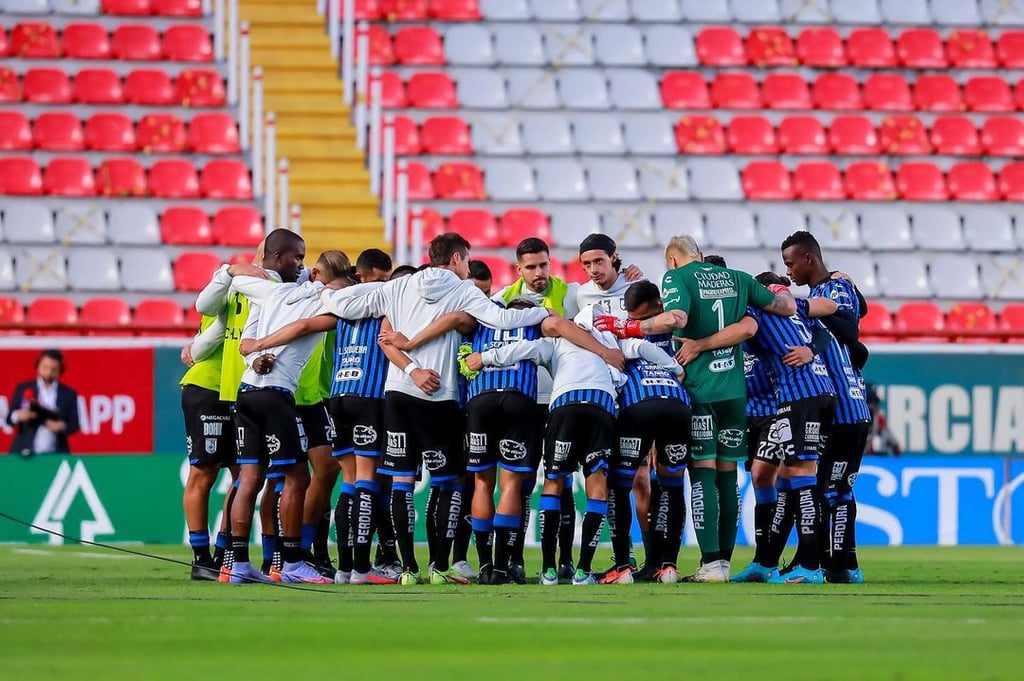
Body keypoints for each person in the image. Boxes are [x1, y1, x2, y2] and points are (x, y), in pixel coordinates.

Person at [318, 233, 553, 585]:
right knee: (449, 483)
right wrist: (543, 312)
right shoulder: (464, 290)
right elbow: (501, 321)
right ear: (458, 259)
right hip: (440, 394)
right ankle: (440, 565)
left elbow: (342, 303)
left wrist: (321, 292)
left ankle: (408, 569)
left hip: (397, 390)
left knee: (400, 482)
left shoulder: (399, 287)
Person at [601, 235, 795, 582]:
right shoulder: (738, 278)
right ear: (701, 255)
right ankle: (723, 562)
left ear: (672, 261)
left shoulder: (677, 277)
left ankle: (711, 565)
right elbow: (784, 309)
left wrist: (630, 326)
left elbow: (675, 318)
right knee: (728, 476)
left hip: (700, 388)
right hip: (735, 389)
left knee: (702, 472)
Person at [466, 304, 683, 586]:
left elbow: (522, 350)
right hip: (601, 404)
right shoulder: (610, 338)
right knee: (597, 483)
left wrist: (484, 357)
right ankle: (582, 570)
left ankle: (548, 571)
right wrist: (675, 368)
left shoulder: (557, 342)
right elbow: (645, 349)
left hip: (565, 405)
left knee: (554, 482)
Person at [240, 248, 401, 585]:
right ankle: (323, 563)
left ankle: (266, 561)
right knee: (307, 478)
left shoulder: (286, 292)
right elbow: (301, 325)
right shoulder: (371, 300)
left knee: (290, 476)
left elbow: (240, 279)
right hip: (321, 394)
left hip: (321, 394)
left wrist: (253, 346)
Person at [729, 273, 838, 584]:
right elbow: (827, 309)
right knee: (791, 476)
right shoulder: (792, 310)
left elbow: (747, 329)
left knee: (802, 476)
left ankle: (810, 565)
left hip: (798, 396)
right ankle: (769, 562)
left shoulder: (756, 310)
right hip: (817, 392)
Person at [782, 231, 872, 584]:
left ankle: (831, 565)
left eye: (790, 263)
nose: (788, 271)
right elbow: (858, 312)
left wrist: (807, 306)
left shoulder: (831, 291)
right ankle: (844, 563)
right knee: (836, 488)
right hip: (848, 405)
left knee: (830, 489)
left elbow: (850, 328)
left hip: (845, 409)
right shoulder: (827, 291)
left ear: (808, 259)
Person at [602, 282, 692, 585]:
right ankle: (667, 565)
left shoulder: (623, 332)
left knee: (618, 485)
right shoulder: (676, 331)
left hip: (638, 406)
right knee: (672, 484)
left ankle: (623, 567)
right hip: (678, 405)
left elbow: (634, 349)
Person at [7, 349, 80, 456]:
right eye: (45, 367)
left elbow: (74, 424)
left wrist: (61, 426)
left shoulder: (68, 394)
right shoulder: (24, 388)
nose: (49, 372)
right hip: (25, 451)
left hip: (55, 452)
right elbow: (9, 418)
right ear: (38, 366)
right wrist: (19, 415)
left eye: (54, 369)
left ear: (60, 370)